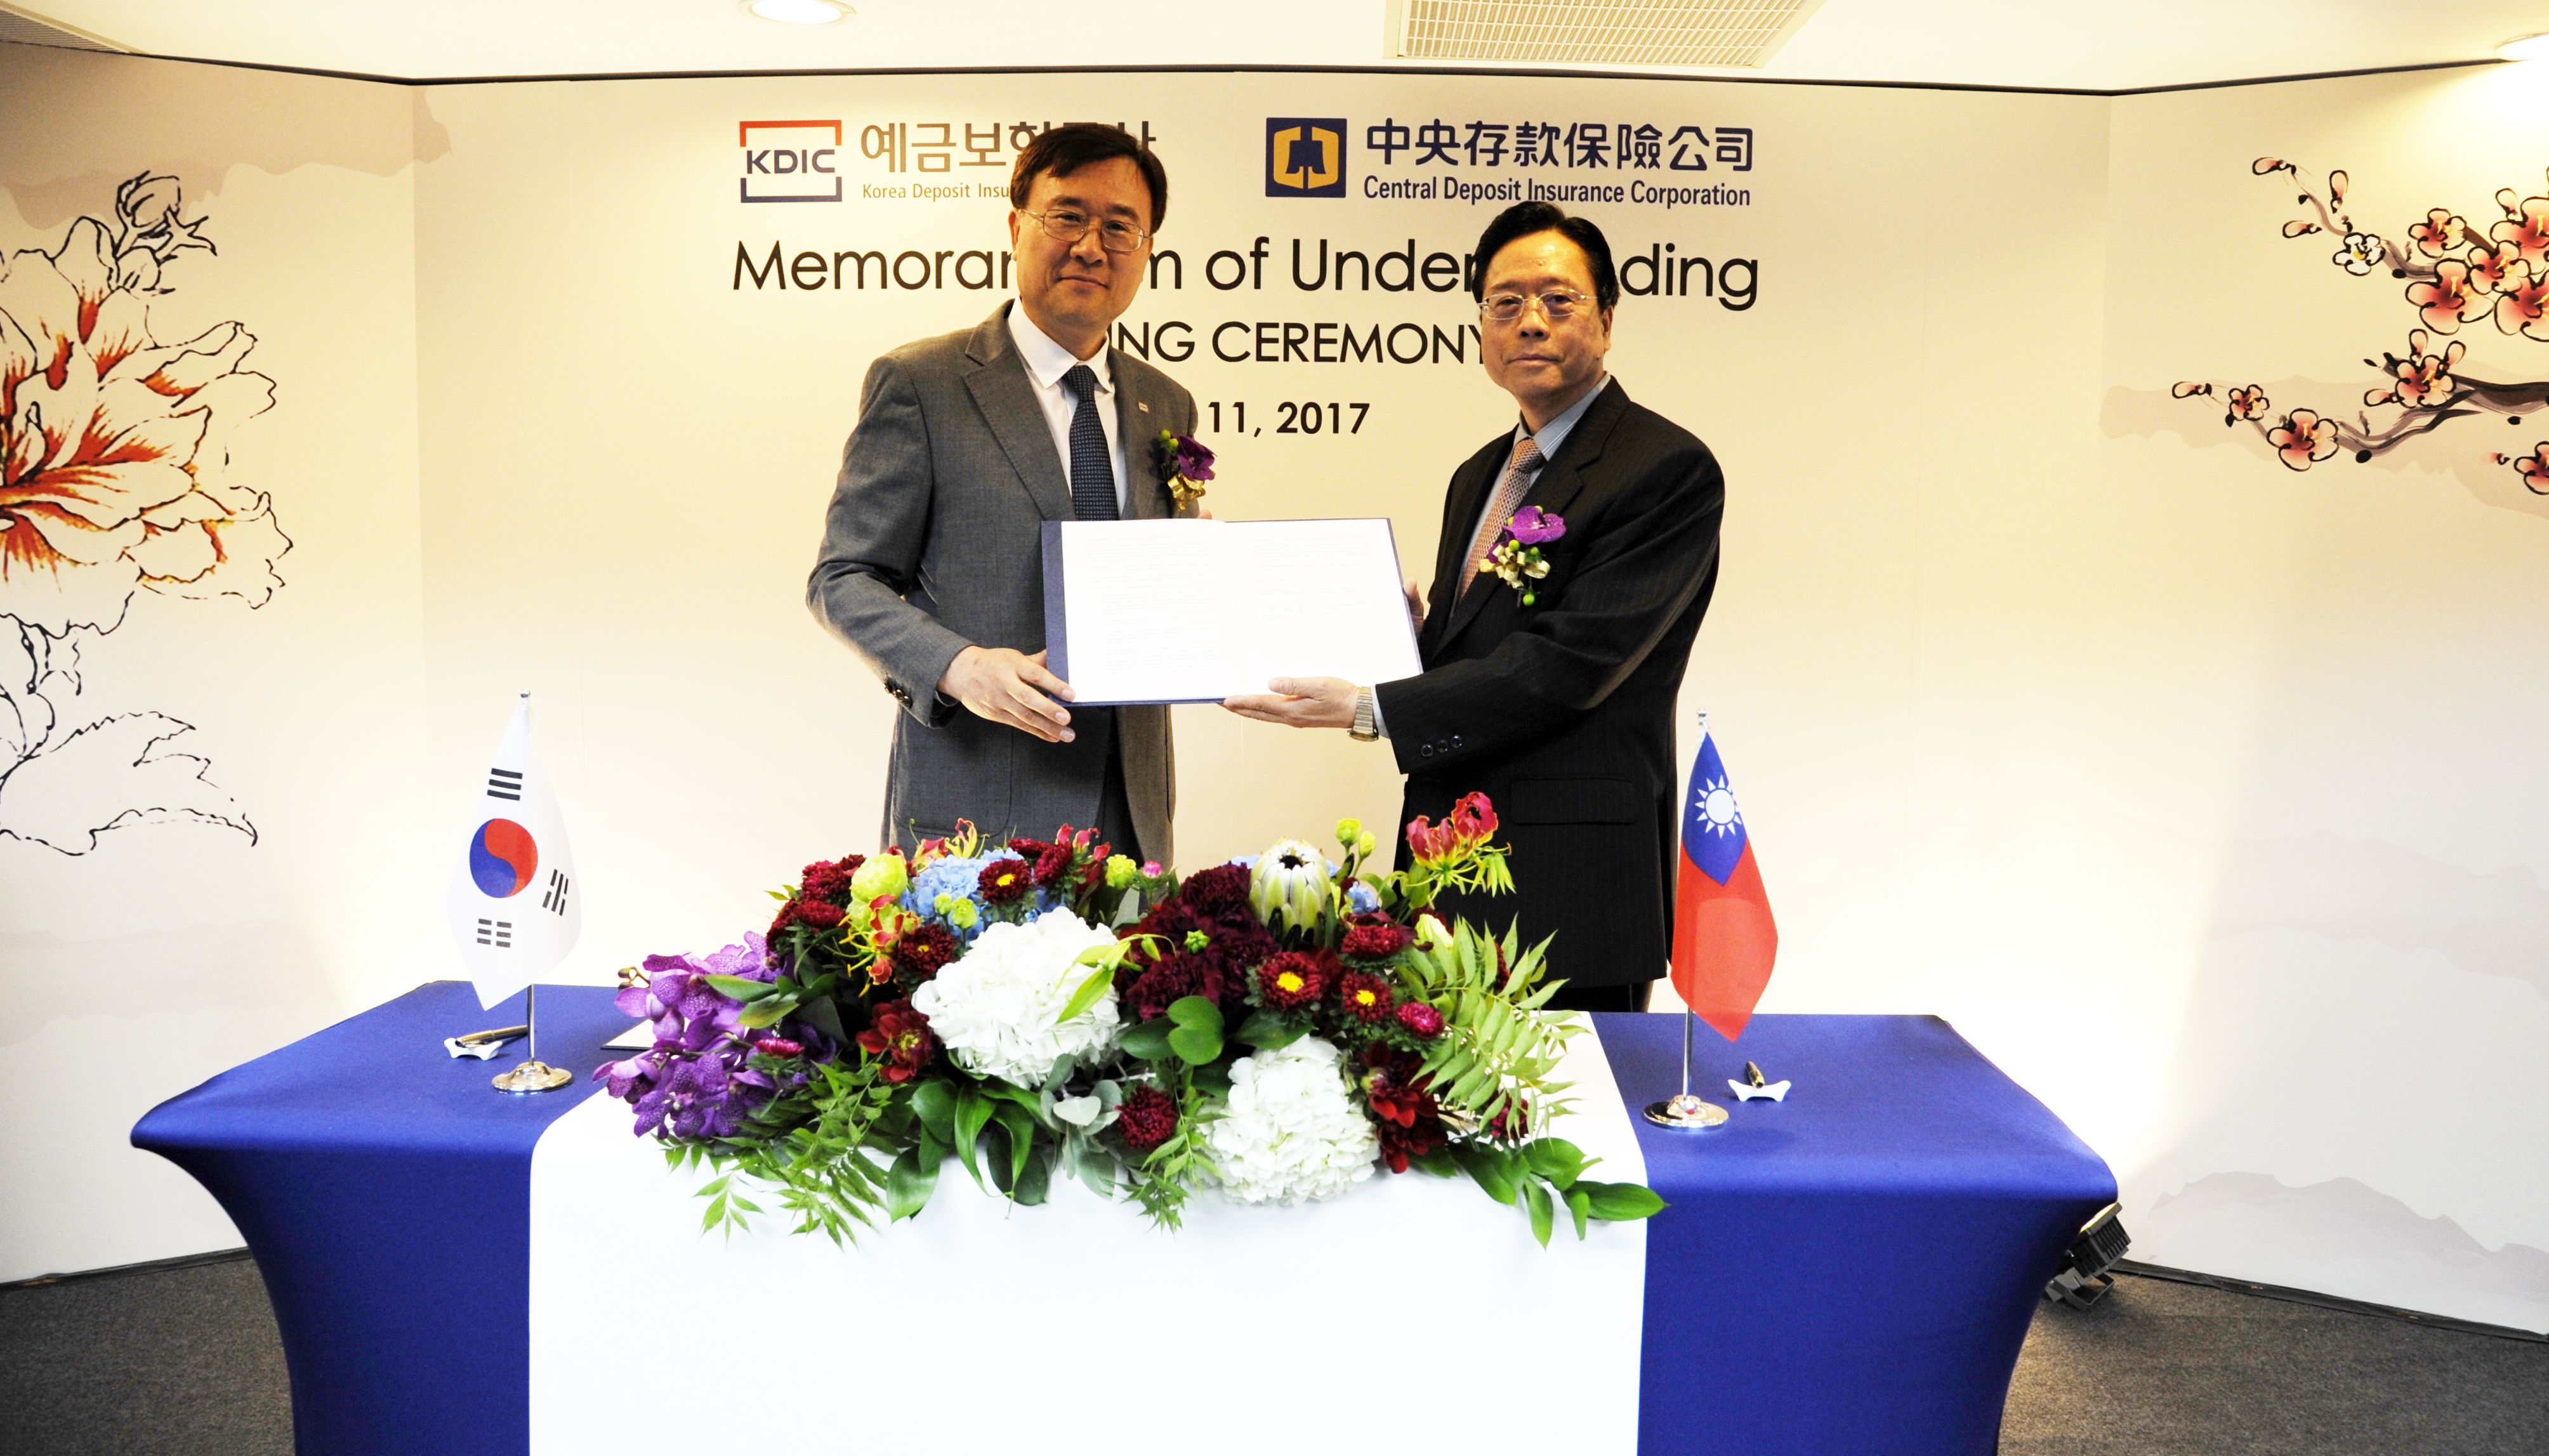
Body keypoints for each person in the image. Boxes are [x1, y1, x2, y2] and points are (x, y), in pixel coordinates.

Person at [1225, 201, 1724, 1012]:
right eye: (1505, 303)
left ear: (1606, 319)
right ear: (1481, 329)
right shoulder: (1482, 472)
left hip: (1571, 887)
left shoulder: (1664, 467)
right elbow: (1490, 645)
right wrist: (1413, 641)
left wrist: (1370, 707)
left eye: (1558, 301)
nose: (1530, 322)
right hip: (1449, 865)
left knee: (1567, 1127)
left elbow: (1572, 664)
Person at [808, 123, 1198, 863]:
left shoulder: (1166, 404)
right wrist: (960, 667)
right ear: (1017, 226)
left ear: (1146, 252)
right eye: (1068, 215)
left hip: (1132, 810)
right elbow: (843, 579)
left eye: (1121, 226)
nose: (1092, 245)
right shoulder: (924, 383)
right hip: (975, 814)